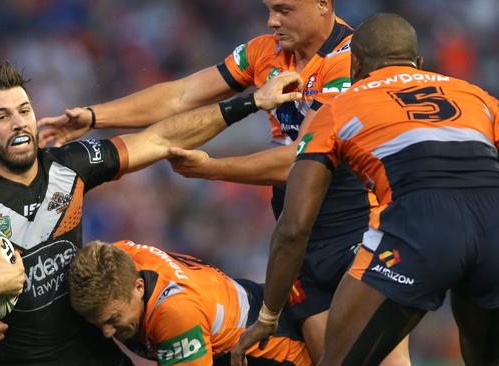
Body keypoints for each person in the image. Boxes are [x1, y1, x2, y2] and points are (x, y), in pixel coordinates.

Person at [37, 1, 409, 363]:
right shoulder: (266, 52)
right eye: (268, 10)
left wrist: (211, 168)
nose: (271, 22)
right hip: (300, 239)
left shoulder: (349, 62)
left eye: (283, 10)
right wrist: (94, 115)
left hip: (356, 226)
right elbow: (181, 95)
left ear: (323, 4)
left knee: (385, 358)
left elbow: (301, 163)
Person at [0, 60, 302, 365]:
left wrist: (249, 102)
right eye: (1, 116)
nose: (18, 123)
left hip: (94, 354)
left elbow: (159, 139)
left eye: (23, 110)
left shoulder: (69, 165)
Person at [232, 13, 499, 366]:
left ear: (355, 66)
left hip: (421, 225)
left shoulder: (338, 108)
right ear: (418, 63)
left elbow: (295, 225)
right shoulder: (477, 95)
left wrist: (268, 315)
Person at [68, 240, 313, 366]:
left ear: (138, 288)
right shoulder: (115, 261)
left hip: (277, 354)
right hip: (239, 306)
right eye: (97, 322)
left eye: (113, 319)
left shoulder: (175, 315)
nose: (107, 332)